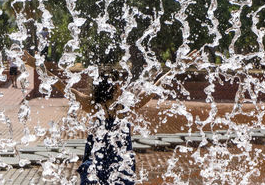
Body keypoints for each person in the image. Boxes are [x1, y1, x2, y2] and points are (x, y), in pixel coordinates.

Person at [22, 51, 170, 185]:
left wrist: (36, 65)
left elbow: (60, 84)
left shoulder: (91, 106)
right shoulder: (124, 108)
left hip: (95, 167)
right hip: (120, 170)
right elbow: (154, 89)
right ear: (116, 87)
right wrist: (174, 70)